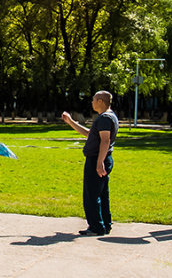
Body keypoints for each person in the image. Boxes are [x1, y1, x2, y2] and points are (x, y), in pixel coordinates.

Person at [63, 90, 118, 236]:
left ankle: (96, 227)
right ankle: (105, 224)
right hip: (102, 158)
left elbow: (105, 141)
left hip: (97, 159)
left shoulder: (105, 118)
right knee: (102, 194)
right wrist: (71, 122)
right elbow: (90, 134)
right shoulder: (107, 117)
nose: (92, 102)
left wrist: (99, 162)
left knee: (91, 195)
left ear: (100, 101)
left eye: (94, 99)